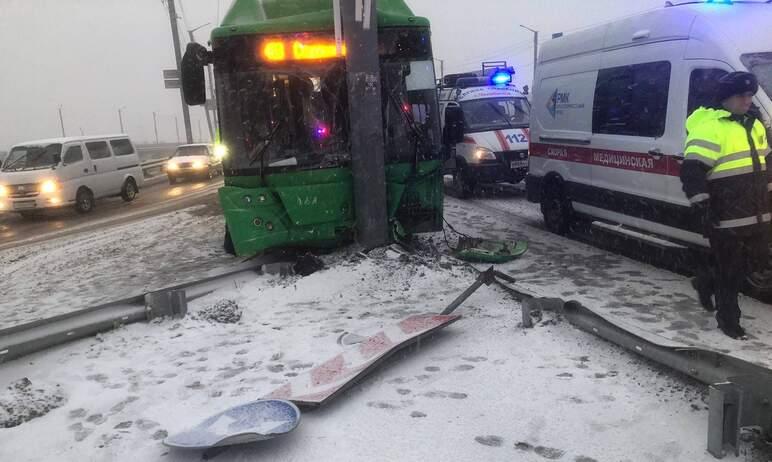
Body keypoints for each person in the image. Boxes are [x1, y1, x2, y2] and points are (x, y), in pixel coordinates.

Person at [681, 71, 771, 340]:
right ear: (726, 99)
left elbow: (766, 164)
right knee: (730, 272)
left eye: (749, 95)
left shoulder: (754, 125)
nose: (747, 100)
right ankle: (729, 322)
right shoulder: (710, 127)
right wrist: (702, 205)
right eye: (741, 96)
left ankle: (706, 279)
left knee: (757, 261)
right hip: (725, 213)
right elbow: (692, 171)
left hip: (756, 211)